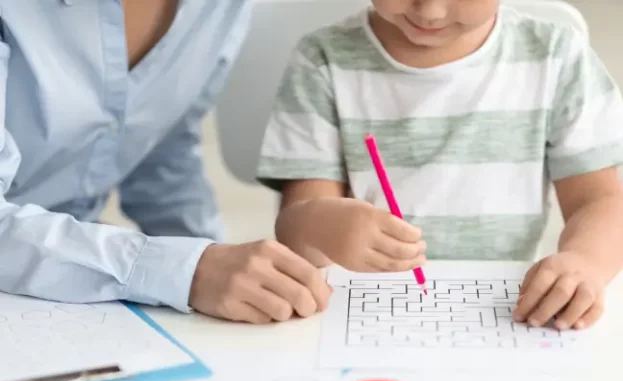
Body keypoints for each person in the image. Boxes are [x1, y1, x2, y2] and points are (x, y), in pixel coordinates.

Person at [257, 0, 623, 331]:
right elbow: (295, 230)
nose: (429, 10)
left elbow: (601, 202)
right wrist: (322, 226)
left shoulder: (557, 56)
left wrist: (585, 261)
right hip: (368, 316)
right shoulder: (321, 59)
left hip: (504, 313)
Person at [0, 0, 332, 324]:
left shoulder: (220, 7)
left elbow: (164, 154)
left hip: (82, 288)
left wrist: (221, 264)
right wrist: (187, 271)